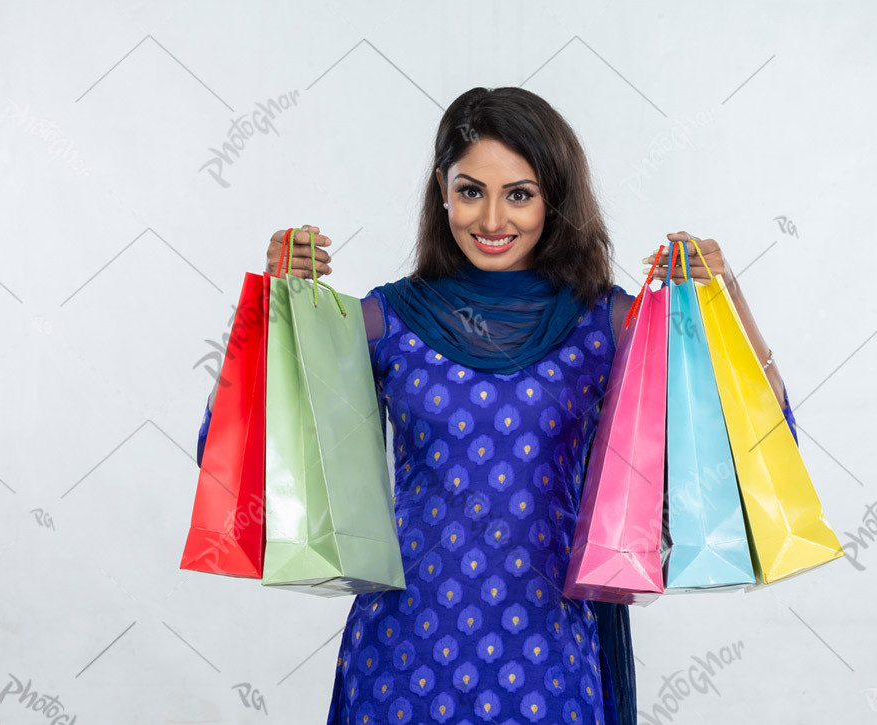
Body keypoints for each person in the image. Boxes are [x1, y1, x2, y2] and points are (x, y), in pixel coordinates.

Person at [195, 87, 799, 724]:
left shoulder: (604, 322)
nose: (491, 221)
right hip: (403, 653)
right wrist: (275, 308)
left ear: (554, 198)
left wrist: (724, 293)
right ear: (441, 189)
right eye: (470, 191)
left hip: (552, 650)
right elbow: (232, 454)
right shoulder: (388, 318)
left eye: (519, 194)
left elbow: (760, 440)